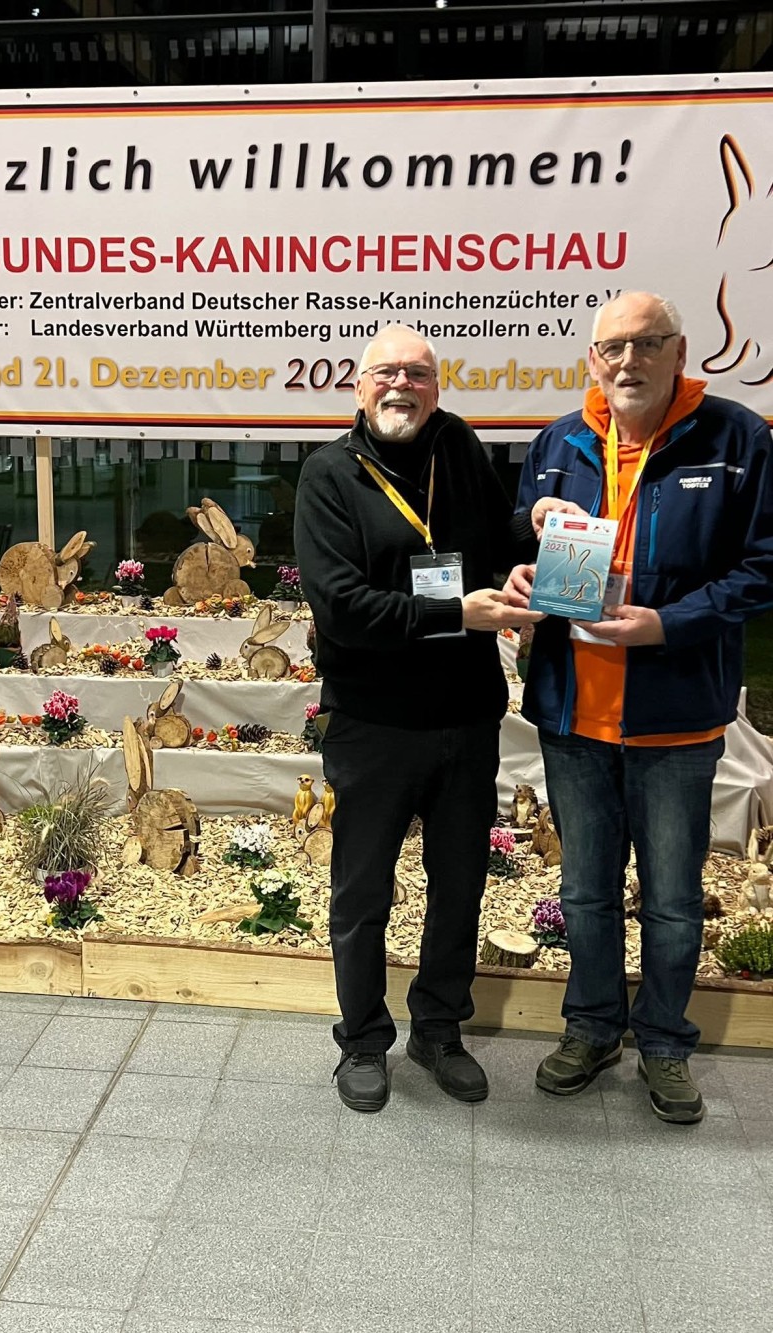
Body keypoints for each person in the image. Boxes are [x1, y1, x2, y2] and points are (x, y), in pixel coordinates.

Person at [505, 291, 773, 1123]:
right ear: (592, 359)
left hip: (675, 715)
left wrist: (667, 624)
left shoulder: (736, 440)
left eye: (647, 343)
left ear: (678, 351)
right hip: (572, 713)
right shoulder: (560, 441)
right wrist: (526, 548)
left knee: (672, 898)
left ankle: (663, 1041)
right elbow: (521, 535)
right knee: (585, 891)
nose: (628, 361)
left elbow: (763, 567)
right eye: (612, 348)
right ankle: (591, 1028)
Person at [294, 323, 542, 1113]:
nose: (401, 384)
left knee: (460, 885)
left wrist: (533, 532)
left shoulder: (458, 446)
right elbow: (342, 607)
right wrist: (454, 613)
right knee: (362, 890)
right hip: (373, 722)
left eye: (418, 373)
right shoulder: (329, 475)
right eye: (386, 372)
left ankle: (439, 1029)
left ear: (437, 386)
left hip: (466, 717)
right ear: (358, 385)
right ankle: (363, 1039)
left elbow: (494, 539)